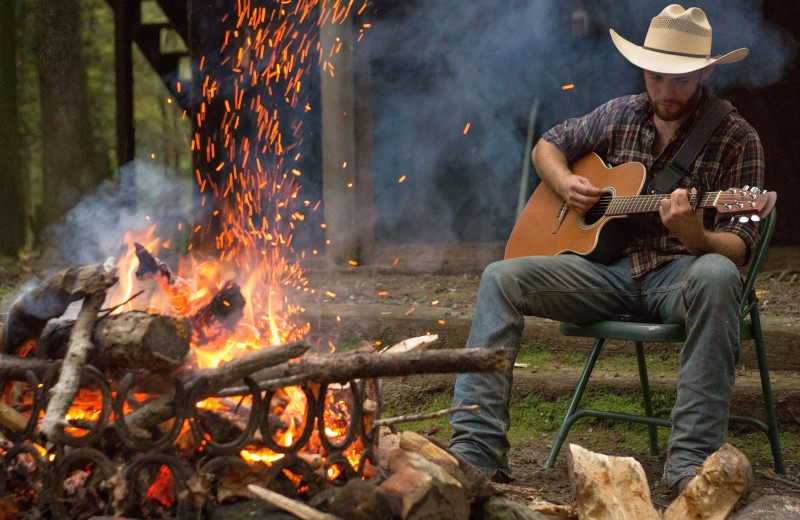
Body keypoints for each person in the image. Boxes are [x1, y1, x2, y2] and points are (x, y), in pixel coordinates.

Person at [447, 4, 764, 496]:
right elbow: (547, 145)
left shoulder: (737, 138)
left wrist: (696, 236)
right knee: (499, 278)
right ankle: (474, 453)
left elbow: (740, 246)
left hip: (678, 277)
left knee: (720, 274)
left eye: (679, 80)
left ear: (703, 72)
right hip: (603, 275)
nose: (665, 90)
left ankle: (689, 467)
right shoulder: (619, 113)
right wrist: (566, 182)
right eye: (655, 77)